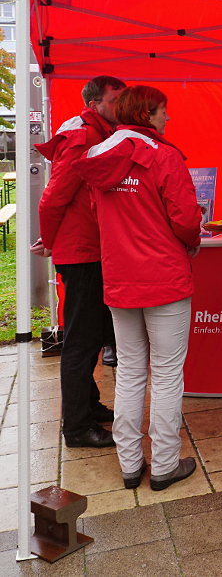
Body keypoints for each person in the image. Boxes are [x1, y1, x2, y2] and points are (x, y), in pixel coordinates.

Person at [75, 85, 202, 490]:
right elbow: (186, 221)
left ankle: (130, 465)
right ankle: (164, 465)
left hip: (121, 280)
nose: (169, 119)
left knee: (129, 373)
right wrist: (192, 242)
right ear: (148, 114)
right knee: (166, 375)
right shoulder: (164, 157)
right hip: (164, 280)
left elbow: (98, 215)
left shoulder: (97, 158)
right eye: (164, 112)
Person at [31, 75, 125, 448]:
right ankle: (77, 427)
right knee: (81, 341)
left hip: (89, 250)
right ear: (95, 103)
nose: (122, 105)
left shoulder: (96, 133)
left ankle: (89, 405)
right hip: (82, 253)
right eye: (116, 99)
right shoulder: (84, 136)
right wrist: (52, 240)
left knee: (90, 335)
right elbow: (53, 197)